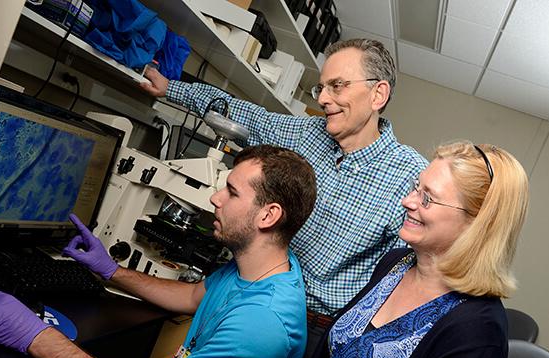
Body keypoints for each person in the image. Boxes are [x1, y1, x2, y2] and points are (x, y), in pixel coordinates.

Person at [0, 145, 318, 358]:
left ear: (268, 216)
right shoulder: (264, 268)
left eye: (231, 192)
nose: (215, 198)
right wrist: (111, 271)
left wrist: (37, 336)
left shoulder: (264, 323)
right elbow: (195, 295)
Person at [140, 38, 428, 320]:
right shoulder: (309, 133)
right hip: (253, 293)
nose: (324, 99)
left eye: (337, 85)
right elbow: (250, 117)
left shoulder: (411, 177)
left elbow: (400, 278)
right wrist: (170, 89)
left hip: (315, 323)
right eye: (322, 87)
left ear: (378, 94)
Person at [288, 142, 529, 358]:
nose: (408, 201)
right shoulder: (395, 263)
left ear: (476, 224)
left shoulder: (478, 334)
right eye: (416, 187)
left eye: (428, 198)